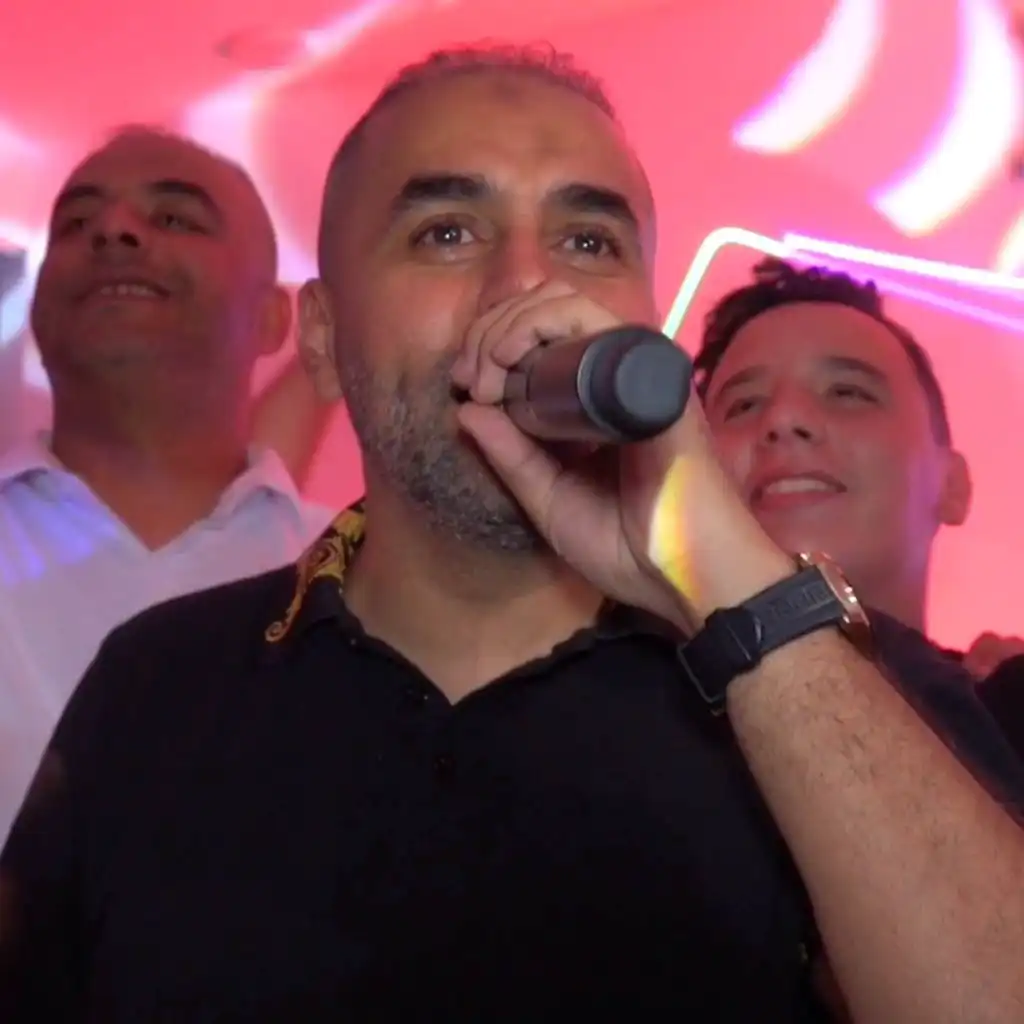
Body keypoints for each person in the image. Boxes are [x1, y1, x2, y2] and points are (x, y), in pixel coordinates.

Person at [3, 45, 1024, 1022]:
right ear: (322, 336)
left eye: (588, 243)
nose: (527, 290)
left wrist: (732, 591)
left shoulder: (856, 685)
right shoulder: (159, 683)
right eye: (447, 233)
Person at [0, 126, 334, 843]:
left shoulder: (370, 578)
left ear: (275, 319)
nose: (113, 231)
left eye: (175, 218)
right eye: (75, 223)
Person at [695, 258, 1024, 754]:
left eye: (848, 393)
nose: (783, 418)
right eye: (743, 405)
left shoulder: (1009, 719)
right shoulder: (607, 718)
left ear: (951, 485)